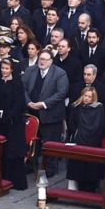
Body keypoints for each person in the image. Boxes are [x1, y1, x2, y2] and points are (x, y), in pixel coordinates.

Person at [23, 49, 70, 177]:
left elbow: (61, 93)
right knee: (32, 142)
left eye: (45, 59)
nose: (42, 61)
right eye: (40, 59)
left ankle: (50, 168)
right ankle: (30, 164)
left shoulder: (60, 73)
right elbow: (23, 88)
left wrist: (43, 104)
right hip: (32, 112)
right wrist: (28, 102)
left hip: (50, 115)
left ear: (51, 61)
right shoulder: (30, 71)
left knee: (50, 143)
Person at [0, 59, 28, 190]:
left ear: (11, 69)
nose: (4, 71)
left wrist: (8, 116)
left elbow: (19, 103)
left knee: (12, 152)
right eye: (2, 68)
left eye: (6, 68)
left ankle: (12, 180)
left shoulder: (17, 83)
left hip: (12, 124)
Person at [67, 87, 105, 192]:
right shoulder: (76, 107)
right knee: (78, 167)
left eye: (89, 96)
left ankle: (91, 189)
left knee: (91, 169)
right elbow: (72, 124)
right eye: (85, 96)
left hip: (93, 142)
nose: (87, 98)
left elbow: (100, 126)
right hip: (79, 140)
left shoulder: (99, 108)